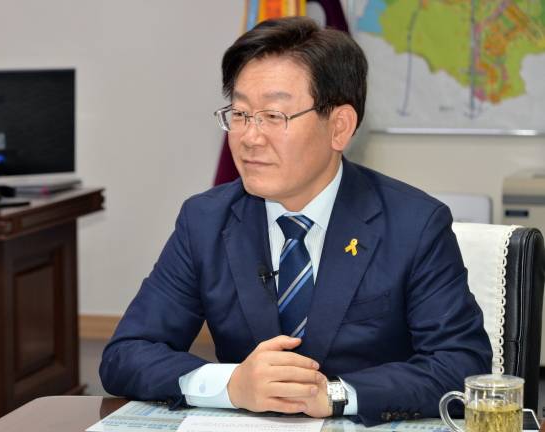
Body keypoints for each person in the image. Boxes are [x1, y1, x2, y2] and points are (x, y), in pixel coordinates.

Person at [99, 16, 491, 426]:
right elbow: (125, 355)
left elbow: (462, 366)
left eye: (274, 116)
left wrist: (335, 395)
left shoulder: (414, 224)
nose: (250, 137)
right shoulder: (205, 221)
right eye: (240, 113)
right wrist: (231, 384)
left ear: (339, 127)